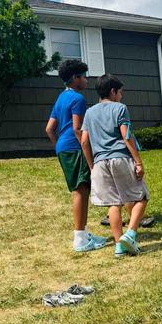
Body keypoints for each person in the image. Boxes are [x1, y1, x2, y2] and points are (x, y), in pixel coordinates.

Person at [81, 74, 149, 257]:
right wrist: (138, 161)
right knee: (141, 197)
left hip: (99, 162)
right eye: (120, 92)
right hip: (120, 158)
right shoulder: (120, 108)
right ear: (113, 91)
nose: (121, 95)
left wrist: (91, 165)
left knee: (113, 203)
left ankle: (119, 246)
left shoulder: (89, 112)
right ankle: (131, 234)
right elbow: (126, 135)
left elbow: (84, 141)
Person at [45, 59, 107, 252]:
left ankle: (83, 233)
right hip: (75, 148)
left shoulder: (61, 98)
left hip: (64, 149)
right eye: (83, 76)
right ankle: (79, 239)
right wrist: (90, 156)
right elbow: (77, 129)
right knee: (81, 191)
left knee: (81, 190)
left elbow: (49, 129)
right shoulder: (78, 99)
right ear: (75, 78)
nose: (86, 80)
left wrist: (59, 147)